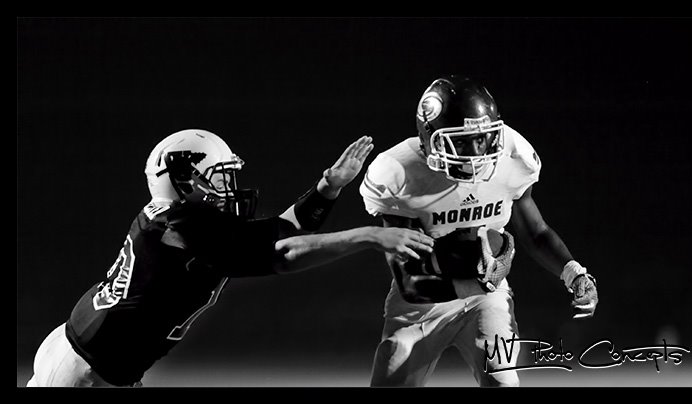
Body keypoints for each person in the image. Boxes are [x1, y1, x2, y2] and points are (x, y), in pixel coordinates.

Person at [26, 129, 435, 387]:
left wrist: (328, 186)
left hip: (91, 355)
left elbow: (282, 230)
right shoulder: (179, 230)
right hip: (86, 368)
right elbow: (284, 254)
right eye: (219, 176)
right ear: (184, 180)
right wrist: (367, 235)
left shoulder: (182, 220)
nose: (229, 186)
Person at [359, 75, 599, 387]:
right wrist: (483, 278)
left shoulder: (513, 154)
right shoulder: (399, 172)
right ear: (429, 137)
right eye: (460, 141)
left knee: (503, 380)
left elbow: (536, 232)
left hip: (487, 294)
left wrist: (575, 273)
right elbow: (410, 281)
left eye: (481, 139)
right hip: (423, 301)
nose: (475, 152)